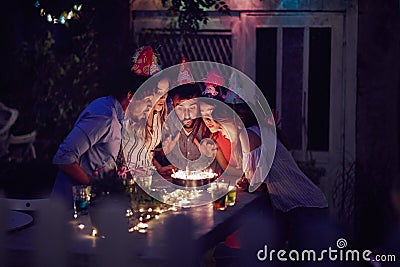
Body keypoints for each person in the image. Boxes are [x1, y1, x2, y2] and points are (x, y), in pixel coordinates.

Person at [51, 64, 149, 207]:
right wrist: (95, 186)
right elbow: (64, 157)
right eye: (147, 101)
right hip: (71, 206)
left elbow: (103, 157)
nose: (149, 107)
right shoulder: (104, 116)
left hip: (94, 204)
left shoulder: (119, 118)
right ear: (130, 96)